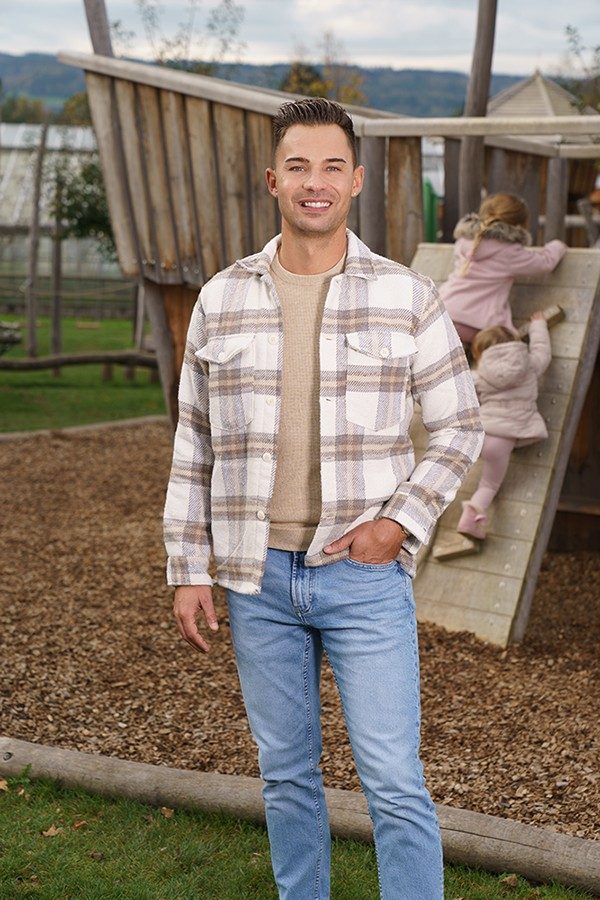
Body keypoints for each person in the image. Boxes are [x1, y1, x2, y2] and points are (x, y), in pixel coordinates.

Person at [163, 97, 484, 900]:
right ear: (274, 180)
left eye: (331, 167)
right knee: (286, 775)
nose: (315, 183)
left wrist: (397, 524)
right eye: (298, 166)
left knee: (393, 778)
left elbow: (460, 427)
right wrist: (188, 567)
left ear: (357, 181)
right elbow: (191, 443)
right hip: (255, 579)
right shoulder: (221, 298)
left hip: (364, 576)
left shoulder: (406, 296)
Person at [457, 312, 551, 540]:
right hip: (502, 440)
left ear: (480, 351)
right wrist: (538, 325)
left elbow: (459, 391)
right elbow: (543, 352)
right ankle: (469, 520)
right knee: (489, 484)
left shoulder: (478, 376)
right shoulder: (529, 365)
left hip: (480, 435)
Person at [438, 192, 567, 345]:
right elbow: (545, 263)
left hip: (442, 312)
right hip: (473, 323)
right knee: (510, 346)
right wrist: (558, 245)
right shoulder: (509, 252)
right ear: (520, 225)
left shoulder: (464, 241)